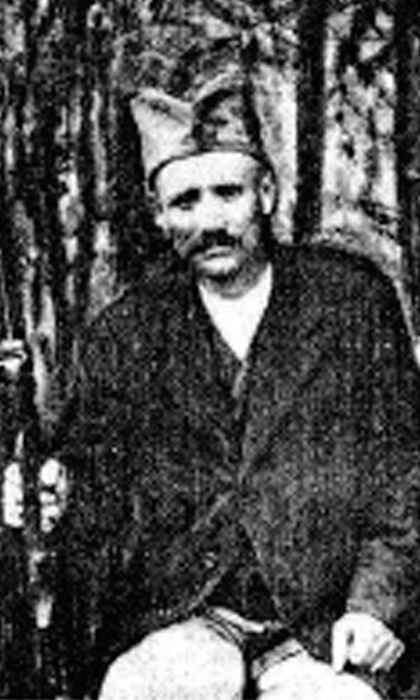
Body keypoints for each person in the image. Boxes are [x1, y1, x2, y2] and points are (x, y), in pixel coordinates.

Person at [50, 19, 420, 700]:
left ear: (266, 195)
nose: (210, 221)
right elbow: (93, 491)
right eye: (185, 202)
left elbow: (406, 472)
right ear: (159, 216)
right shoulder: (125, 335)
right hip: (186, 618)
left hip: (325, 623)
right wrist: (46, 495)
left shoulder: (351, 302)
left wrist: (377, 605)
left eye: (229, 194)